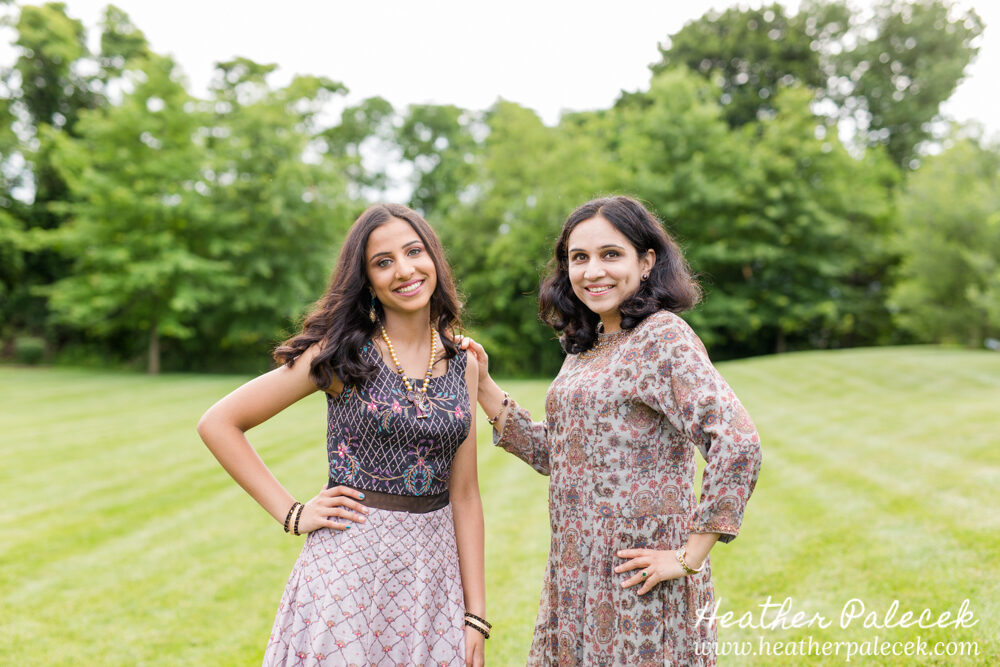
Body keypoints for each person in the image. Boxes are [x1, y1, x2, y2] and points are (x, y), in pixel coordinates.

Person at [458, 195, 762, 666]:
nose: (593, 271)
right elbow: (560, 453)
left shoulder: (662, 336)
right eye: (579, 257)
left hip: (637, 583)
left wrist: (688, 556)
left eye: (611, 254)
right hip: (574, 574)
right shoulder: (587, 345)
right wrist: (484, 384)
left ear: (646, 262)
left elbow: (737, 441)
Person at [197, 203, 488, 667]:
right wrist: (292, 513)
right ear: (367, 280)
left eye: (414, 251)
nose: (404, 270)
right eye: (383, 262)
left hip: (432, 575)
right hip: (349, 571)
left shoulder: (465, 364)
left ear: (434, 257)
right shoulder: (340, 355)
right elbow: (219, 423)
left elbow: (466, 494)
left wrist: (475, 616)